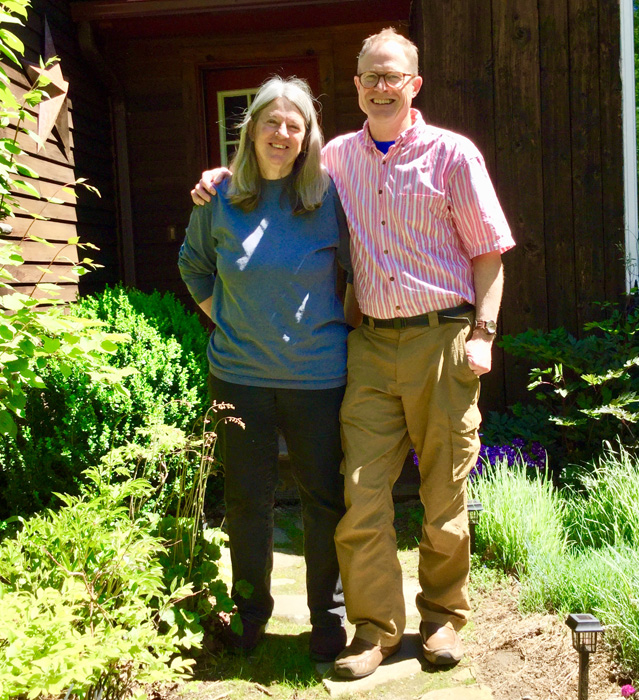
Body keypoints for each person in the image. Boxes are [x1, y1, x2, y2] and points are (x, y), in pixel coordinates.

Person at [191, 28, 515, 680]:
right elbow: (273, 176)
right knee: (360, 494)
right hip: (367, 347)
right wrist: (221, 177)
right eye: (369, 76)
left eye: (391, 75)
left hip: (443, 336)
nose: (379, 85)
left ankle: (444, 619)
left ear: (413, 84)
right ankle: (374, 630)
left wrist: (482, 335)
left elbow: (489, 255)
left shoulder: (454, 155)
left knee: (442, 495)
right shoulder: (337, 159)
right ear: (359, 84)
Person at [178, 76, 353, 662]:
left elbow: (358, 274)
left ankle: (328, 620)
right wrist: (229, 319)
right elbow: (194, 266)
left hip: (317, 379)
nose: (282, 133)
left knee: (323, 500)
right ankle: (250, 612)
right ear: (250, 129)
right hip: (240, 378)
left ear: (307, 138)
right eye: (271, 121)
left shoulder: (329, 196)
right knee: (247, 503)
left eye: (294, 125)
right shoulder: (220, 199)